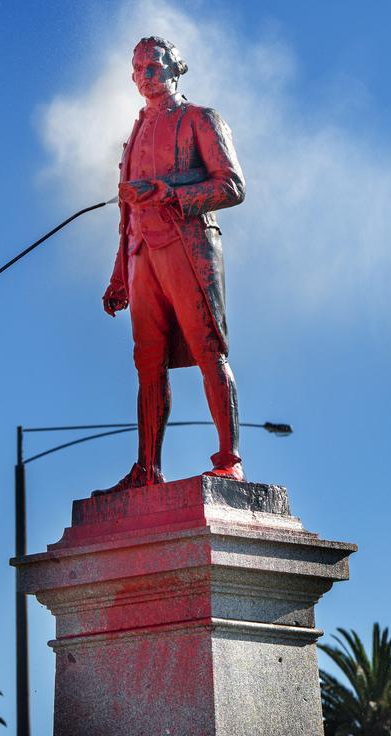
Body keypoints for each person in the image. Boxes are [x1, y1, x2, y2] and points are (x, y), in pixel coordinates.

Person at [97, 35, 246, 493]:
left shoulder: (201, 118)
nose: (145, 75)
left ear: (175, 68)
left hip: (189, 244)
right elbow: (125, 218)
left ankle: (229, 460)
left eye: (153, 66)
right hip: (142, 257)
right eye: (138, 67)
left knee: (207, 348)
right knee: (147, 362)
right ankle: (146, 470)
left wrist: (169, 193)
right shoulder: (134, 135)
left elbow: (232, 186)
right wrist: (119, 275)